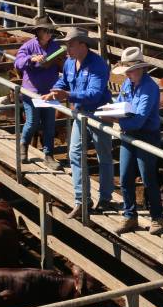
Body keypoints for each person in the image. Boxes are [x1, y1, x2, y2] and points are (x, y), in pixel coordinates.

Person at [42, 27, 114, 218]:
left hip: (99, 114)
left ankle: (106, 197)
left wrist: (67, 95)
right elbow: (63, 81)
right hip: (80, 113)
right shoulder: (69, 63)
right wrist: (55, 91)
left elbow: (95, 94)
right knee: (75, 153)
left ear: (83, 45)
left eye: (71, 44)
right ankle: (82, 200)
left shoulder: (98, 65)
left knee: (104, 155)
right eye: (67, 45)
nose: (67, 48)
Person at [104, 47, 163, 236]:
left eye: (130, 70)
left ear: (140, 69)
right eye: (126, 71)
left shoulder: (149, 87)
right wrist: (113, 111)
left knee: (148, 179)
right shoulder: (128, 84)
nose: (128, 74)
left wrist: (115, 119)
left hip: (146, 136)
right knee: (125, 177)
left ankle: (157, 218)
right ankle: (130, 215)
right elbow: (121, 103)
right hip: (130, 134)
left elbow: (139, 120)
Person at [14, 14, 62, 169]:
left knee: (50, 124)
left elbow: (62, 64)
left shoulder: (56, 47)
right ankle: (23, 145)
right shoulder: (28, 46)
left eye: (50, 31)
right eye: (46, 31)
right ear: (38, 31)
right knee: (33, 121)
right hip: (32, 91)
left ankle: (49, 155)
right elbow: (18, 62)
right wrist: (31, 59)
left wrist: (61, 61)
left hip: (49, 91)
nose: (49, 34)